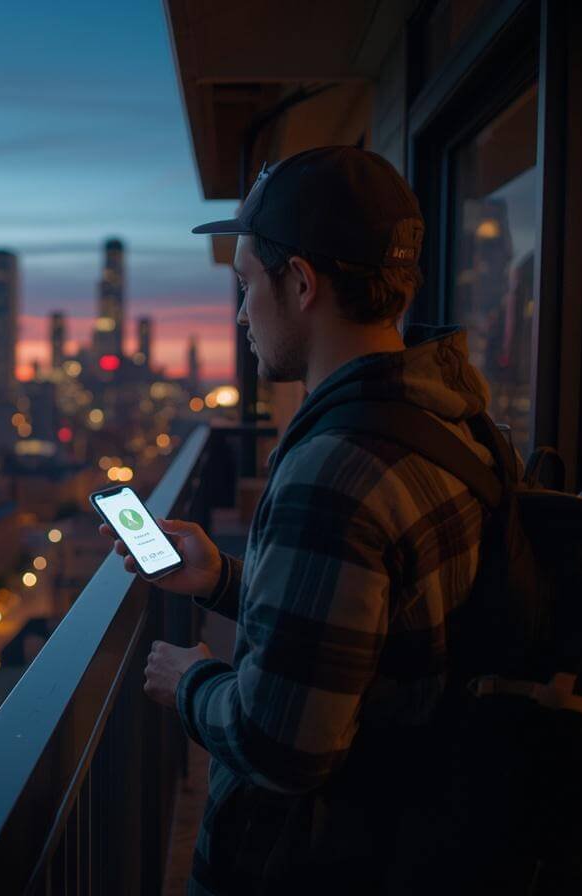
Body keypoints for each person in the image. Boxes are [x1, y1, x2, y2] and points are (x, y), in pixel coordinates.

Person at [99, 146, 497, 894]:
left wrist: (193, 681)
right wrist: (223, 582)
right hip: (419, 834)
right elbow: (369, 627)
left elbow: (283, 748)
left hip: (324, 862)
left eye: (247, 285)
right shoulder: (453, 421)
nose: (242, 313)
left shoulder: (335, 467)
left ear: (303, 283)